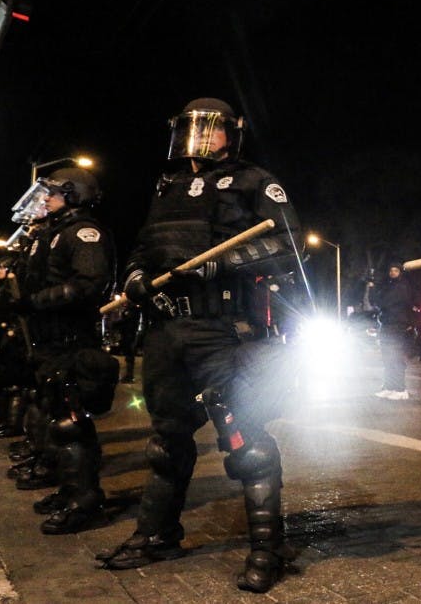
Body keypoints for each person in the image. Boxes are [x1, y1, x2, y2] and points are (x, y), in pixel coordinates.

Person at [96, 98, 304, 593]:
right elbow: (142, 249)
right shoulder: (165, 186)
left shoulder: (255, 181)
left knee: (245, 442)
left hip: (224, 328)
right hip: (170, 332)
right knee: (167, 441)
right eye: (194, 129)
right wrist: (138, 278)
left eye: (211, 130)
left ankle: (267, 549)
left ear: (232, 134)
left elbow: (287, 244)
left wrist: (229, 263)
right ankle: (157, 534)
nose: (202, 138)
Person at [8, 168, 119, 533]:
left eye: (52, 192)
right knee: (57, 416)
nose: (46, 199)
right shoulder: (52, 234)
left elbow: (89, 284)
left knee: (72, 422)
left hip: (72, 340)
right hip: (50, 341)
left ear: (73, 193)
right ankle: (71, 489)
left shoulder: (83, 233)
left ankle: (85, 501)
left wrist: (36, 302)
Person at [371, 261, 415, 399]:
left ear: (400, 272)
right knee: (387, 357)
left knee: (395, 357)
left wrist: (377, 294)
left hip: (397, 325)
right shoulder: (389, 286)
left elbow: (383, 302)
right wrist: (372, 289)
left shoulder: (402, 287)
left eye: (396, 271)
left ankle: (400, 389)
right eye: (391, 271)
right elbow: (376, 302)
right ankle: (390, 387)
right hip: (387, 324)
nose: (393, 273)